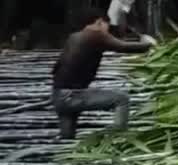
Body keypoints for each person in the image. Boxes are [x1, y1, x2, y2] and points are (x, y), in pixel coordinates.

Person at [51, 8, 157, 139]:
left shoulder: (73, 37)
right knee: (121, 99)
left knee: (66, 137)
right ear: (100, 22)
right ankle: (118, 138)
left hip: (58, 96)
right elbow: (123, 47)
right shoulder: (95, 34)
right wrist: (148, 45)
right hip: (73, 95)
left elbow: (57, 67)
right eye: (107, 25)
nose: (108, 30)